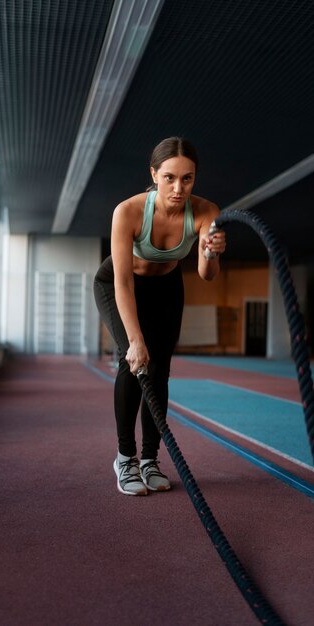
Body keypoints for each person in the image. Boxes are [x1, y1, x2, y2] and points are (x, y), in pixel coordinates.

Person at [93, 137, 226, 496]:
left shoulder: (206, 212)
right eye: (169, 178)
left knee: (159, 370)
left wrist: (211, 253)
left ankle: (150, 460)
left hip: (167, 287)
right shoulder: (129, 211)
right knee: (133, 363)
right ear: (154, 174)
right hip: (120, 284)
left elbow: (206, 275)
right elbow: (121, 281)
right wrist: (135, 340)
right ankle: (126, 458)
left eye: (187, 178)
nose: (178, 188)